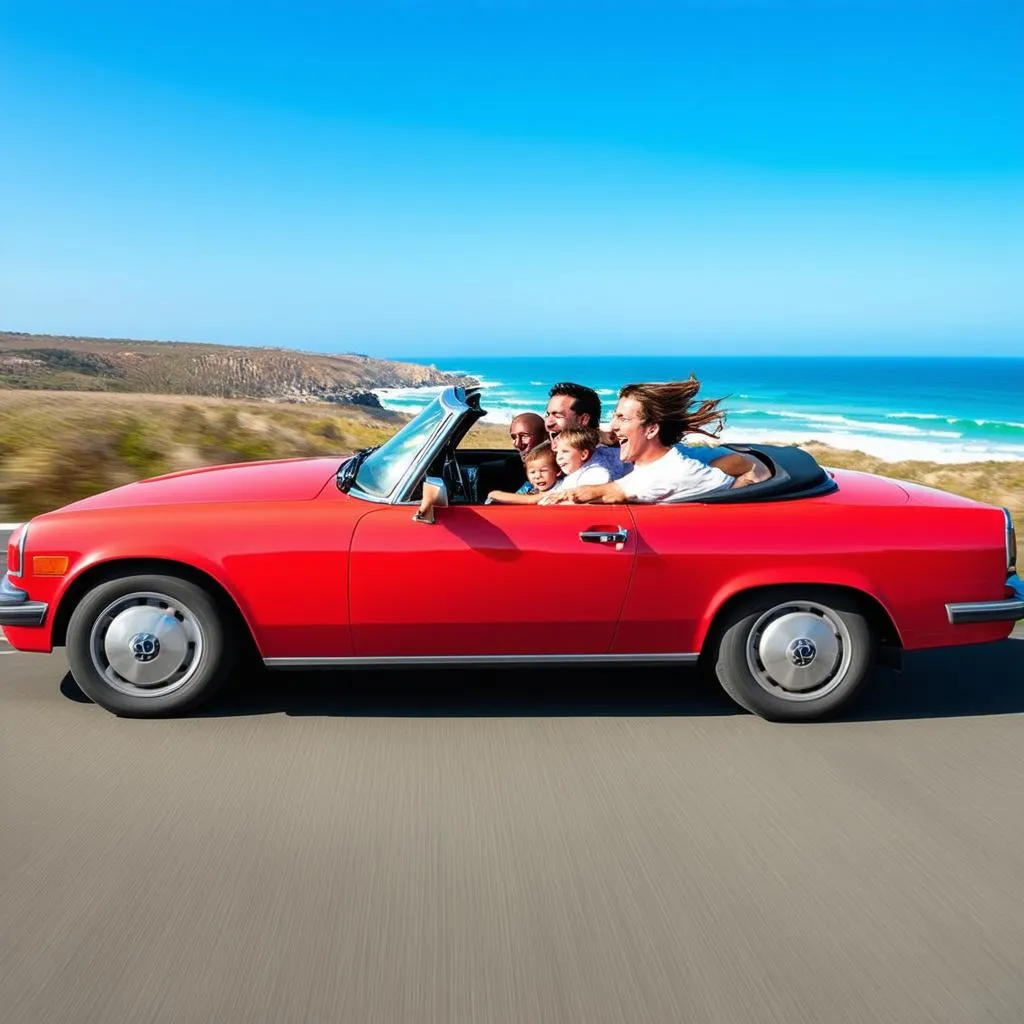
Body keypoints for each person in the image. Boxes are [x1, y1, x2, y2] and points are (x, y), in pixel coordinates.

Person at [546, 379, 736, 504]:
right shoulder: (655, 463)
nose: (612, 426)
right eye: (615, 417)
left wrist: (750, 478)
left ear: (652, 429)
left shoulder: (671, 470)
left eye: (623, 419)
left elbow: (606, 492)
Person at [486, 441, 561, 504]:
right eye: (532, 472)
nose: (537, 476)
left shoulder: (561, 488)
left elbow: (529, 500)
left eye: (543, 470)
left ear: (557, 471)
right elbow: (497, 495)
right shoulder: (529, 488)